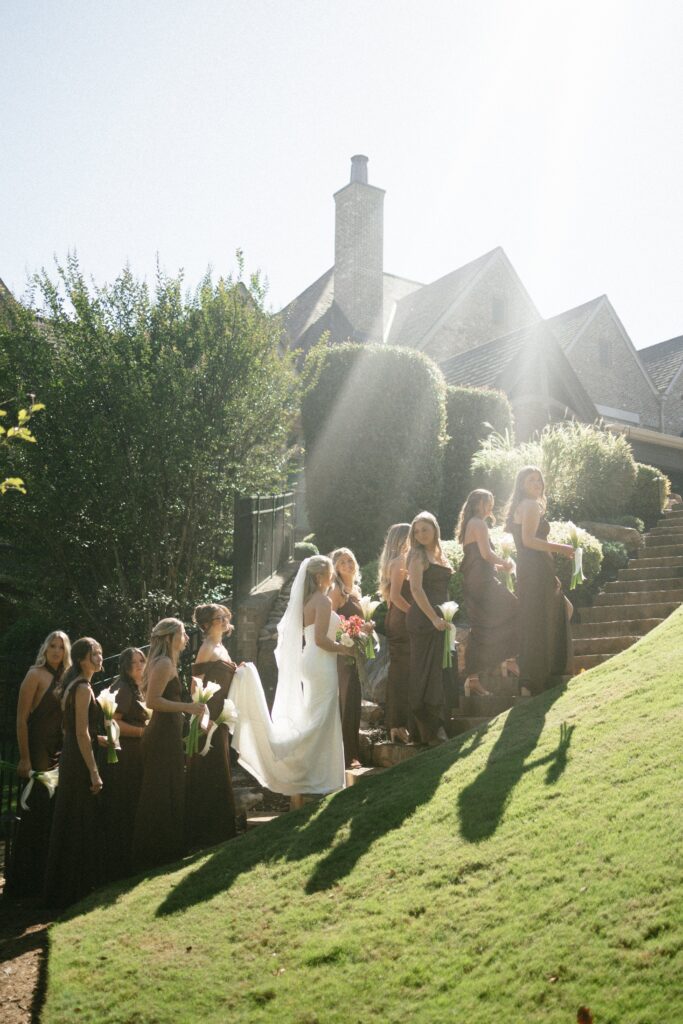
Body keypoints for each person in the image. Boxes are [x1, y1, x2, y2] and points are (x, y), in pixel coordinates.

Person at [228, 556, 348, 809]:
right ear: (318, 578)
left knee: (317, 715)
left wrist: (349, 636)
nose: (332, 578)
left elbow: (321, 635)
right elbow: (322, 640)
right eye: (329, 574)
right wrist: (350, 650)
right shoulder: (323, 601)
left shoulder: (305, 602)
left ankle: (319, 771)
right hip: (321, 662)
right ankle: (318, 775)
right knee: (322, 718)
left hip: (310, 662)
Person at [131, 619, 205, 871]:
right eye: (183, 634)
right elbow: (153, 701)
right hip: (161, 735)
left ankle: (166, 848)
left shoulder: (167, 662)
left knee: (169, 787)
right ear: (171, 637)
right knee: (160, 791)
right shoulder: (163, 663)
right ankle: (156, 852)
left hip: (169, 733)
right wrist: (188, 707)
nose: (186, 638)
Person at [5, 631, 71, 898]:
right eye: (52, 646)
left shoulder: (67, 678)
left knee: (53, 811)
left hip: (58, 749)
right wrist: (24, 757)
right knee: (37, 810)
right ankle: (25, 881)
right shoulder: (34, 675)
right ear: (45, 649)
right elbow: (21, 719)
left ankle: (48, 875)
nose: (56, 651)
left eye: (61, 647)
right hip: (36, 750)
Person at [44, 637, 105, 908]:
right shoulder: (81, 688)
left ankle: (65, 886)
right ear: (83, 659)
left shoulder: (76, 686)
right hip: (78, 759)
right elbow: (80, 732)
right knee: (78, 818)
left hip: (71, 754)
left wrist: (100, 739)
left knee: (70, 818)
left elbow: (73, 730)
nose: (100, 657)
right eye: (95, 653)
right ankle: (74, 888)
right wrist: (93, 771)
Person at [505, 467, 575, 696]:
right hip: (535, 569)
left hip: (532, 569)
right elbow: (529, 541)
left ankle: (530, 680)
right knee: (545, 617)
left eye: (539, 480)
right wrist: (562, 548)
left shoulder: (523, 506)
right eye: (531, 480)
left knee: (541, 617)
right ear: (522, 485)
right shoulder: (530, 505)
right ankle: (533, 679)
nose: (537, 483)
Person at [185, 604, 238, 848]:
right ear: (206, 625)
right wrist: (204, 718)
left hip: (222, 715)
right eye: (218, 618)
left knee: (220, 766)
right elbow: (195, 687)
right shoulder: (206, 648)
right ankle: (206, 833)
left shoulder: (222, 647)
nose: (224, 621)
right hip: (209, 716)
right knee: (209, 768)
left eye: (225, 617)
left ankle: (222, 827)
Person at [457, 490, 519, 696]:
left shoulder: (470, 524)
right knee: (516, 609)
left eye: (492, 502)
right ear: (477, 504)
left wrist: (499, 567)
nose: (490, 507)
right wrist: (505, 561)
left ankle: (473, 678)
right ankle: (510, 659)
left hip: (475, 581)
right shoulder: (478, 523)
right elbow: (485, 554)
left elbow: (479, 558)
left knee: (481, 626)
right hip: (482, 582)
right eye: (487, 503)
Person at [99, 647, 147, 880]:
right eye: (134, 662)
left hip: (137, 755)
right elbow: (112, 724)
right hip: (125, 754)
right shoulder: (124, 689)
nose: (139, 665)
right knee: (123, 805)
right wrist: (142, 733)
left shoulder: (138, 688)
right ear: (125, 666)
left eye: (142, 661)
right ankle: (117, 866)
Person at [406, 512, 453, 745]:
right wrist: (434, 618)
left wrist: (446, 616)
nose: (421, 534)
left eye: (425, 529)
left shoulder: (441, 556)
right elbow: (416, 590)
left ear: (435, 529)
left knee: (440, 671)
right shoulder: (417, 555)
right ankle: (428, 730)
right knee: (426, 672)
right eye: (417, 531)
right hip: (424, 620)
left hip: (441, 619)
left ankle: (440, 724)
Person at [329, 548, 371, 769]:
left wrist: (366, 629)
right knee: (347, 701)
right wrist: (345, 637)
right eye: (342, 561)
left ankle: (351, 751)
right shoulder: (336, 590)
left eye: (350, 560)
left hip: (355, 652)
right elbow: (329, 622)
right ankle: (347, 756)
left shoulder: (356, 590)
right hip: (342, 655)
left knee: (354, 699)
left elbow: (357, 621)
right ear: (335, 567)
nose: (347, 564)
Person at [378, 523, 413, 743]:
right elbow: (398, 597)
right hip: (402, 619)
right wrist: (415, 614)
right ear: (402, 539)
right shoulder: (400, 561)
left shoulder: (393, 562)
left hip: (396, 618)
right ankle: (397, 724)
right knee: (401, 673)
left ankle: (396, 724)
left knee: (399, 672)